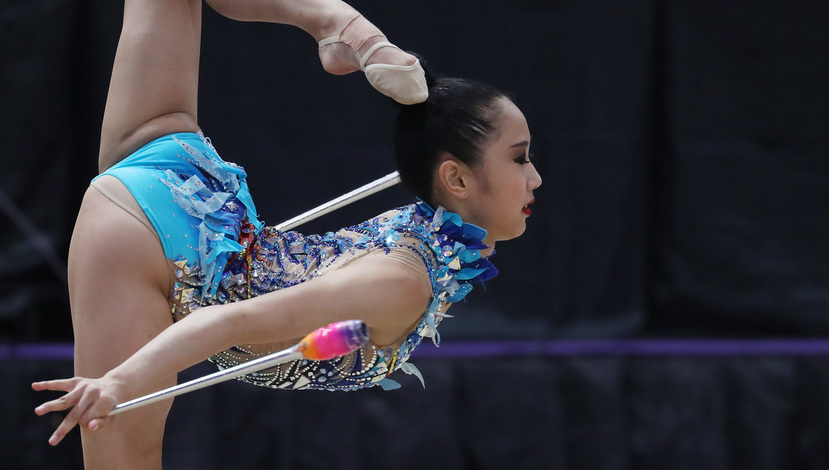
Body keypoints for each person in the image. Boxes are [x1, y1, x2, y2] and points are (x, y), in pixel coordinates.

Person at [32, 0, 542, 468]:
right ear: (454, 178)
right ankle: (337, 26)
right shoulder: (402, 282)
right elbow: (224, 322)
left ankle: (340, 25)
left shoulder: (426, 238)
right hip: (147, 247)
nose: (535, 178)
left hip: (181, 170)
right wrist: (120, 383)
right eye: (520, 158)